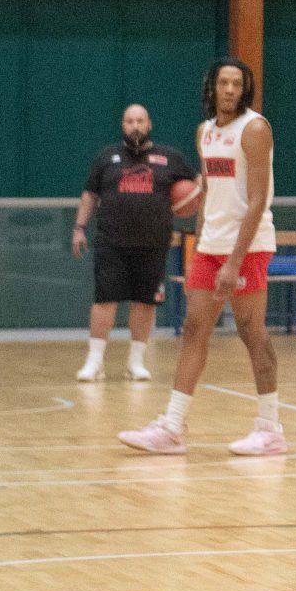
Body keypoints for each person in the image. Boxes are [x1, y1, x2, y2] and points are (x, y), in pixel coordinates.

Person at [118, 59, 285, 457]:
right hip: (212, 245)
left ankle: (270, 428)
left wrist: (234, 262)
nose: (230, 90)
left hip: (248, 246)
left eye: (237, 84)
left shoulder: (255, 129)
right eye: (223, 83)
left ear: (245, 90)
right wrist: (200, 246)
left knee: (251, 331)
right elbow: (209, 192)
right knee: (194, 329)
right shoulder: (205, 132)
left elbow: (257, 200)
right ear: (211, 87)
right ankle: (172, 427)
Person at [72, 103, 196, 382]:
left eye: (140, 121)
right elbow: (89, 195)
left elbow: (198, 184)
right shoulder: (107, 157)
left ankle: (135, 362)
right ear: (123, 125)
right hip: (112, 243)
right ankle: (94, 362)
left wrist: (198, 199)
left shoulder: (170, 158)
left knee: (145, 302)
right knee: (105, 300)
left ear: (149, 124)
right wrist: (79, 228)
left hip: (153, 244)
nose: (135, 126)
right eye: (130, 121)